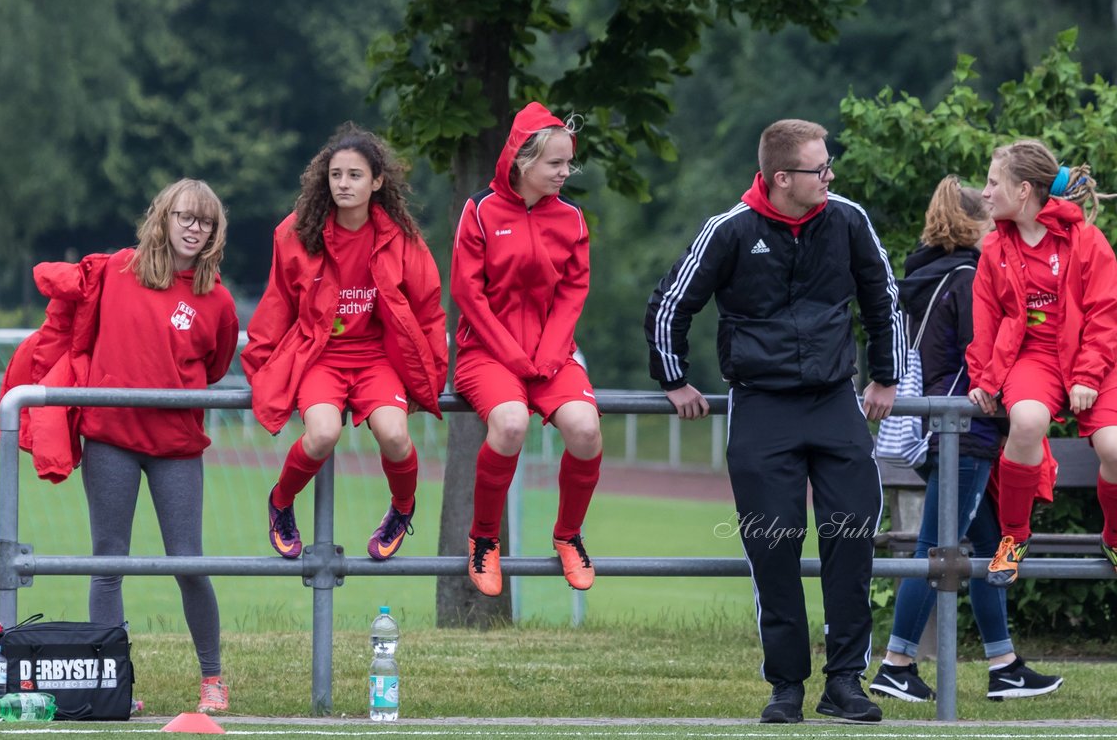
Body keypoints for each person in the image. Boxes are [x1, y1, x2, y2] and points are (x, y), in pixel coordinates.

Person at [645, 119, 904, 724]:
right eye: (820, 168)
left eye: (829, 165)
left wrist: (886, 375)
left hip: (836, 402)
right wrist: (674, 377)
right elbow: (671, 302)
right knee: (774, 547)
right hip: (761, 408)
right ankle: (786, 686)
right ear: (782, 177)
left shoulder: (847, 219)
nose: (830, 176)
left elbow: (882, 295)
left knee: (850, 540)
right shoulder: (729, 230)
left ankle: (845, 683)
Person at [868, 176, 1061, 703]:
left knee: (989, 543)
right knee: (936, 549)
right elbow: (984, 356)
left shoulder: (927, 275)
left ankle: (1004, 664)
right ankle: (896, 662)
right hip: (966, 432)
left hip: (941, 430)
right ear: (976, 223)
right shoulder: (968, 277)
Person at [242, 124, 447, 562]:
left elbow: (429, 310)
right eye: (336, 175)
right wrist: (261, 369)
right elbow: (276, 304)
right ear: (325, 179)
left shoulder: (402, 239)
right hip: (320, 358)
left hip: (376, 361)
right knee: (322, 434)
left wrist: (429, 377)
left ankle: (401, 508)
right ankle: (280, 502)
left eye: (355, 175)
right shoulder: (296, 234)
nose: (343, 184)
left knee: (395, 435)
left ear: (377, 181)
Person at [78, 179, 239, 714]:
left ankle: (212, 677)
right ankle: (109, 684)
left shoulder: (215, 298)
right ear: (163, 218)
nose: (195, 229)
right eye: (186, 217)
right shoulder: (117, 269)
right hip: (110, 440)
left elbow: (214, 367)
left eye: (206, 222)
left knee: (188, 563)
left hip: (175, 446)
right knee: (108, 564)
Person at [451, 101, 603, 597]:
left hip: (551, 355)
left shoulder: (573, 219)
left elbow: (574, 291)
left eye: (567, 163)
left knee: (585, 430)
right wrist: (516, 358)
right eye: (555, 164)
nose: (565, 172)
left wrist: (553, 352)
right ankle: (484, 539)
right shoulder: (479, 211)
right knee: (511, 423)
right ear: (522, 160)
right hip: (488, 353)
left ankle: (568, 536)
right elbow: (467, 294)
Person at [966, 139, 1117, 588]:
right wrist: (982, 378)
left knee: (1114, 450)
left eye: (994, 183)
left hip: (1095, 358)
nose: (986, 193)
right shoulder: (994, 248)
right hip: (1033, 359)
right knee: (1027, 421)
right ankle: (1013, 538)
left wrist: (1089, 373)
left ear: (1024, 191)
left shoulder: (1085, 240)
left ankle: (1113, 536)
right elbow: (985, 320)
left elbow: (1105, 312)